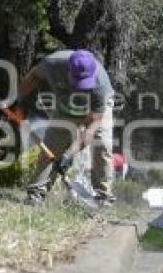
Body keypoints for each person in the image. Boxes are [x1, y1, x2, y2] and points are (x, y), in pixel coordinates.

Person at [15, 49, 115, 206]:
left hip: (95, 108)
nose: (81, 87)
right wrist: (19, 102)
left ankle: (103, 197)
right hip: (65, 104)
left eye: (85, 82)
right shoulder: (52, 64)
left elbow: (91, 128)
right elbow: (33, 77)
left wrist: (68, 155)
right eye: (77, 81)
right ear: (68, 70)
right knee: (53, 143)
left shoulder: (100, 85)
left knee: (101, 142)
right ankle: (36, 194)